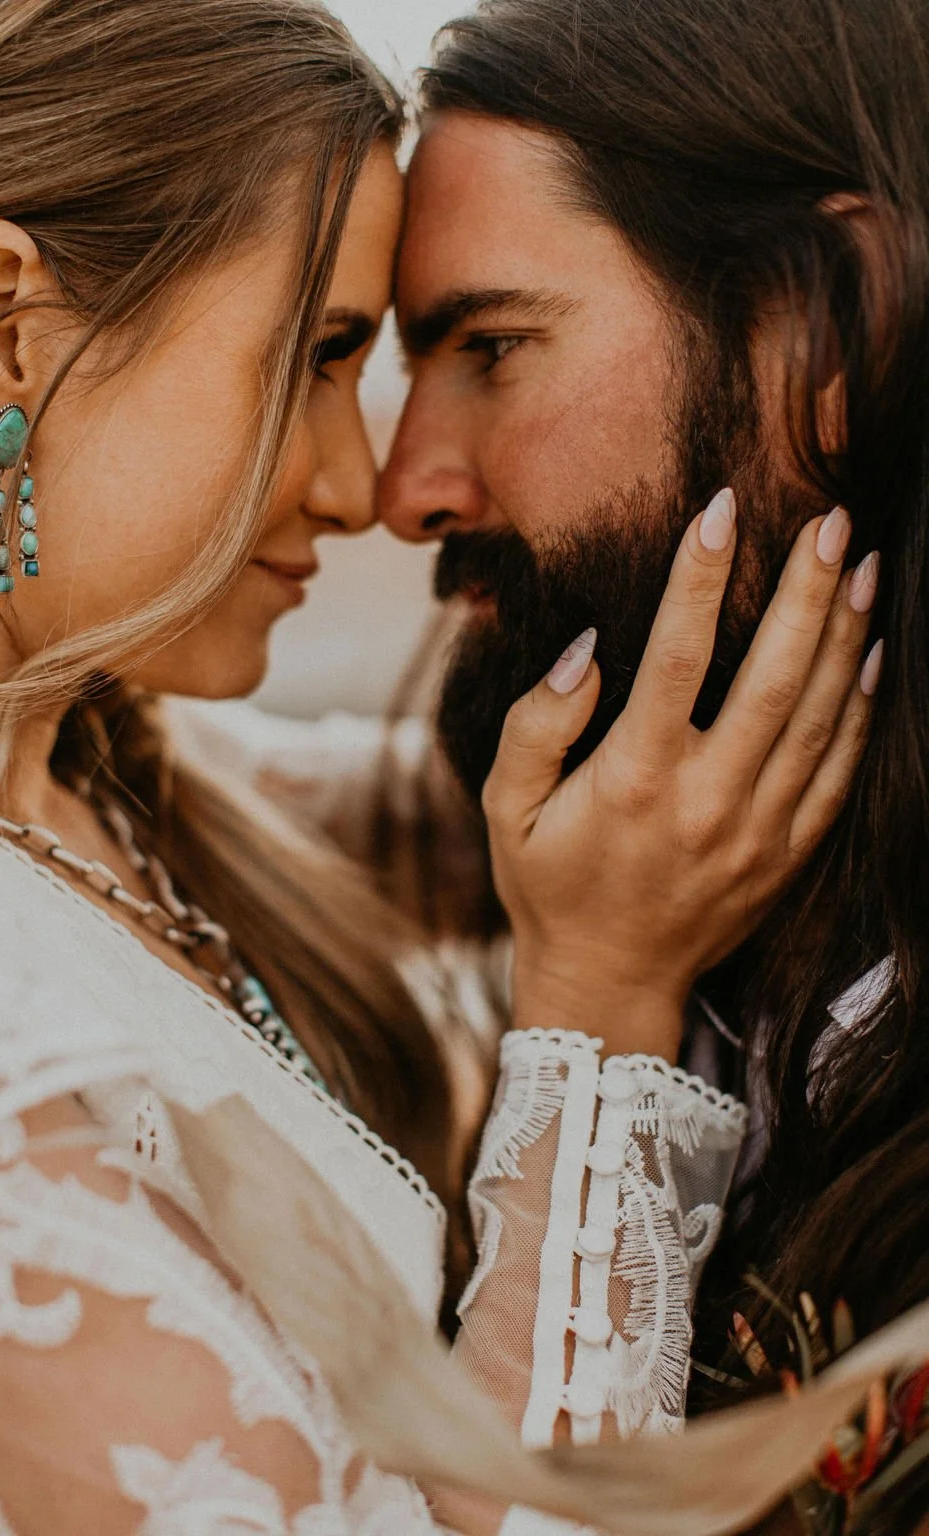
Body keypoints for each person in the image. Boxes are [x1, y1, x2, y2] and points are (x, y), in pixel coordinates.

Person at [0, 1, 894, 1533]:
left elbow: (520, 816)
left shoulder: (95, 783)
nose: (369, 486)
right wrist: (607, 1018)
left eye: (481, 349)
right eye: (319, 357)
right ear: (9, 340)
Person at [375, 0, 929, 1527]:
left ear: (831, 330)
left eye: (493, 347)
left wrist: (599, 1011)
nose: (401, 489)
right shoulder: (616, 850)